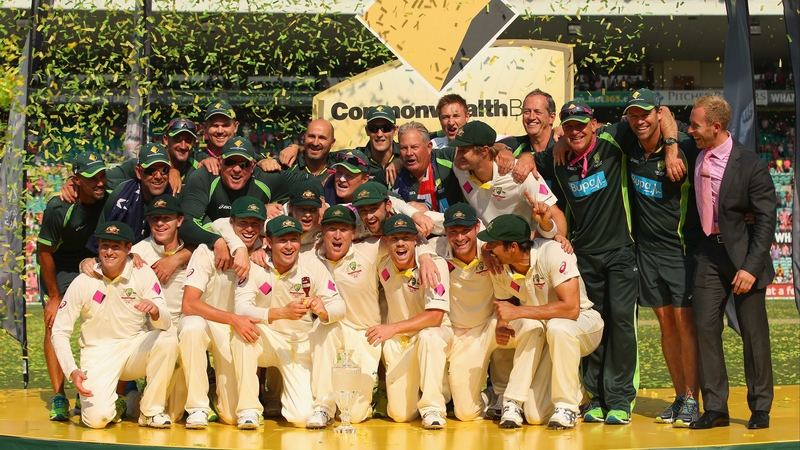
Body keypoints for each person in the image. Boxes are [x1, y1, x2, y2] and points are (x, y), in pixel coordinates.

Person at [533, 99, 680, 425]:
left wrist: (671, 148)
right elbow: (528, 158)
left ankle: (619, 399)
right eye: (569, 126)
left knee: (621, 325)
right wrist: (545, 149)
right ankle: (596, 398)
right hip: (583, 255)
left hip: (620, 252)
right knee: (592, 324)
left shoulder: (615, 141)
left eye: (581, 125)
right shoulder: (558, 159)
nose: (575, 131)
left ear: (594, 124)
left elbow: (663, 113)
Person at [687, 94, 776, 430]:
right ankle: (716, 408)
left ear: (716, 126)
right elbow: (664, 124)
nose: (689, 130)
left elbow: (767, 220)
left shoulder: (751, 164)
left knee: (754, 335)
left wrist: (751, 268)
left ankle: (761, 407)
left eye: (695, 125)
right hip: (709, 254)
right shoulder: (694, 149)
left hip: (744, 258)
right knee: (706, 329)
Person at [623, 89, 702, 427]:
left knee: (686, 325)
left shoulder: (683, 146)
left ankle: (693, 399)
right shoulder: (628, 145)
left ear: (657, 114)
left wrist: (671, 146)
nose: (640, 120)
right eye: (633, 115)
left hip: (679, 250)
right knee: (666, 324)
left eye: (646, 114)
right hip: (647, 252)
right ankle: (679, 396)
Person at [481, 213, 604, 429]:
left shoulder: (553, 252)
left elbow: (571, 308)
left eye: (493, 244)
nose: (487, 249)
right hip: (546, 332)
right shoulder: (499, 265)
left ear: (513, 247)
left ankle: (567, 406)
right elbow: (504, 306)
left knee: (558, 327)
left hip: (584, 323)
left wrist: (518, 313)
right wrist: (502, 326)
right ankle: (572, 398)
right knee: (536, 416)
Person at [51, 221, 177, 429]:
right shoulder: (84, 280)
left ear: (129, 249)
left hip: (134, 348)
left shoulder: (142, 273)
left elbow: (165, 321)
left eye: (116, 246)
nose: (109, 252)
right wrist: (72, 370)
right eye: (104, 246)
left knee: (168, 339)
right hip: (98, 355)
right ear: (98, 248)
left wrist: (155, 311)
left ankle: (151, 411)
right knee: (97, 420)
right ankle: (122, 404)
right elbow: (60, 331)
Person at [432, 204, 541, 426]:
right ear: (445, 232)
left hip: (492, 325)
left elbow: (524, 237)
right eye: (453, 231)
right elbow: (420, 243)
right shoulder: (437, 248)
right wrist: (425, 256)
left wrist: (557, 236)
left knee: (531, 327)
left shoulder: (491, 245)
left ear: (477, 227)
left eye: (466, 230)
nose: (460, 237)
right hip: (464, 336)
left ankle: (512, 400)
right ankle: (492, 396)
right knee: (465, 413)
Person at [232, 216, 344, 429]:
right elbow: (241, 308)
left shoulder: (311, 265)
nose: (289, 246)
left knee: (301, 418)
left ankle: (324, 407)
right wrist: (281, 312)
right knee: (243, 327)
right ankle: (248, 409)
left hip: (301, 345)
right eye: (282, 240)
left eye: (294, 239)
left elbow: (340, 305)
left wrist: (324, 310)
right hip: (268, 340)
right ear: (269, 242)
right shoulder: (255, 265)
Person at [179, 196, 270, 428]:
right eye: (243, 223)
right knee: (192, 326)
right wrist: (233, 319)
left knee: (230, 416)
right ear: (232, 223)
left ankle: (227, 401)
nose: (249, 229)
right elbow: (189, 304)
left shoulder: (262, 255)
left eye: (255, 223)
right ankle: (197, 407)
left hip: (233, 330)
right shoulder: (207, 250)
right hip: (207, 322)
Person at [37, 150, 108, 421]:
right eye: (92, 178)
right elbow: (44, 253)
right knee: (54, 323)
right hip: (61, 265)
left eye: (101, 174)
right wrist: (54, 296)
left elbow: (131, 170)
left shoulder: (107, 188)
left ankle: (104, 386)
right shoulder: (59, 208)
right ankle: (59, 395)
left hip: (95, 261)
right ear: (76, 180)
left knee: (107, 316)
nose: (100, 182)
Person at [369, 214, 452, 429]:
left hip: (434, 334)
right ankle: (430, 388)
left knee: (428, 336)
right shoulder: (382, 264)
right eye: (394, 238)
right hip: (400, 340)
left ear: (416, 240)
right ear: (385, 242)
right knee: (400, 415)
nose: (400, 244)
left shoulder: (435, 265)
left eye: (406, 237)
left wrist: (392, 328)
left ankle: (433, 406)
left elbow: (435, 317)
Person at [179, 137, 310, 264]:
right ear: (220, 162)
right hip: (213, 252)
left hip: (254, 253)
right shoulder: (205, 177)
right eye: (230, 162)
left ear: (253, 166)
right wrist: (217, 240)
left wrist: (320, 201)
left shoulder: (265, 178)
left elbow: (309, 181)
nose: (236, 169)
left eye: (244, 164)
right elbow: (186, 224)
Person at [130, 194, 188, 423]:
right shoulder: (136, 252)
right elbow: (107, 264)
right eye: (154, 219)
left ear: (179, 221)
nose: (160, 224)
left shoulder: (193, 248)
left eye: (166, 218)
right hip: (152, 329)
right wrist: (86, 263)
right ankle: (145, 408)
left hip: (184, 323)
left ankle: (142, 402)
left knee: (175, 415)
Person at [94, 143, 173, 248]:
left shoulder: (176, 196)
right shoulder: (120, 195)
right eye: (151, 171)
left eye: (164, 170)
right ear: (138, 173)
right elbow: (101, 240)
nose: (158, 176)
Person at [281, 119, 337, 183]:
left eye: (322, 138)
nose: (315, 143)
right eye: (311, 136)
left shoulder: (340, 167)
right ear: (304, 138)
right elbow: (270, 165)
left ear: (332, 143)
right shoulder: (289, 163)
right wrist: (267, 162)